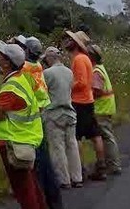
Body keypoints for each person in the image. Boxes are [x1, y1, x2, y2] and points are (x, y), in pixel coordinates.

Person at [0, 41, 50, 209]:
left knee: (25, 194)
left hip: (14, 143)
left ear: (6, 62)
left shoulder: (11, 87)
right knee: (33, 189)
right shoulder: (22, 80)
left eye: (1, 55)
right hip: (26, 140)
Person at [18, 37, 66, 209]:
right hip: (41, 116)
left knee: (35, 167)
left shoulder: (25, 69)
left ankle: (36, 208)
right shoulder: (38, 67)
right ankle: (56, 206)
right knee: (46, 164)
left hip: (29, 121)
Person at [64, 30, 107, 180]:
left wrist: (67, 86)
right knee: (94, 134)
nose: (66, 41)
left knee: (76, 137)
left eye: (69, 40)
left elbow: (81, 82)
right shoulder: (85, 58)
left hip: (79, 101)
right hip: (87, 101)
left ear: (75, 44)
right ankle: (101, 167)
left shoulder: (79, 59)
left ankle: (80, 169)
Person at [40, 46, 83, 188]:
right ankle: (77, 177)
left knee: (57, 147)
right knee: (72, 145)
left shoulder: (47, 73)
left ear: (49, 58)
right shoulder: (69, 72)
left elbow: (43, 92)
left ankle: (63, 179)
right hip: (70, 112)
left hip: (54, 113)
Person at [89, 43, 122, 175]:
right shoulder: (100, 68)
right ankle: (112, 164)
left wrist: (88, 94)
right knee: (107, 137)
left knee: (106, 137)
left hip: (101, 108)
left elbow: (97, 89)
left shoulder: (96, 71)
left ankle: (113, 165)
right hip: (106, 107)